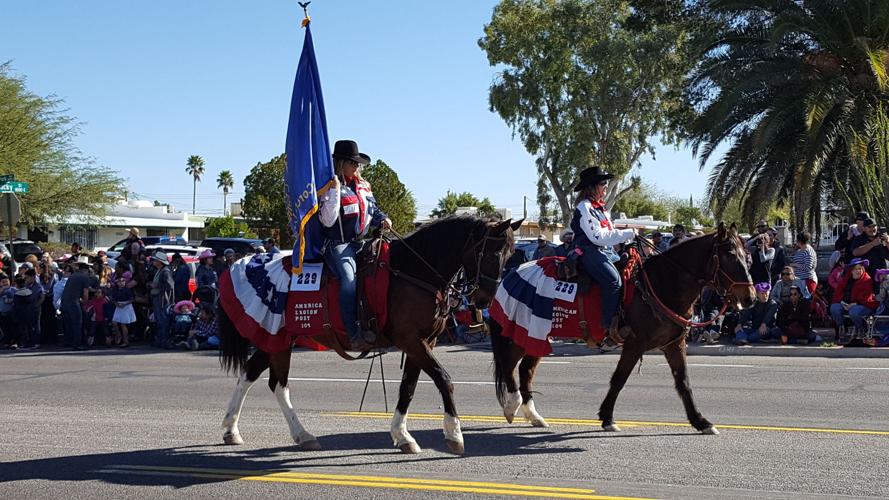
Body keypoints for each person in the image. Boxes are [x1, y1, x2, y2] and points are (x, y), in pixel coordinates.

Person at [318, 140, 392, 349]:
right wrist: (334, 192)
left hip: (361, 243)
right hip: (338, 244)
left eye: (358, 163)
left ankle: (378, 324)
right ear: (341, 164)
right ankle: (353, 333)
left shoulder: (364, 186)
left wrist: (383, 219)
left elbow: (373, 211)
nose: (357, 166)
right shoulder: (329, 186)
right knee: (349, 280)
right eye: (353, 162)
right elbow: (327, 221)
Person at [570, 166, 636, 342]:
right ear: (592, 187)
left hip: (605, 251)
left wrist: (626, 243)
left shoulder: (601, 209)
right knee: (613, 281)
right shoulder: (584, 207)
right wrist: (627, 233)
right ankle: (608, 329)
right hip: (589, 251)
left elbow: (610, 233)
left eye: (606, 183)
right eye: (603, 183)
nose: (606, 186)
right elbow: (598, 237)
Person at [829, 257, 879, 337]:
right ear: (851, 271)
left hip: (864, 305)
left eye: (860, 268)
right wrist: (842, 303)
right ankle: (841, 328)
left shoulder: (867, 280)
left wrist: (853, 304)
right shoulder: (845, 279)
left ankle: (860, 328)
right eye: (855, 269)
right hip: (846, 304)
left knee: (854, 311)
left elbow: (866, 298)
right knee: (834, 307)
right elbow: (837, 294)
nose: (858, 271)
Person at [60, 259, 92, 350]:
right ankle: (77, 344)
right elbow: (85, 294)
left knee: (68, 324)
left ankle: (68, 342)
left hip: (64, 302)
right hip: (74, 302)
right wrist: (85, 303)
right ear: (85, 270)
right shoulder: (84, 277)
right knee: (77, 324)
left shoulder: (73, 276)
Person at [851, 218, 889, 291]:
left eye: (874, 226)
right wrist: (872, 244)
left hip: (883, 276)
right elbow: (855, 252)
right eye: (869, 227)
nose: (872, 229)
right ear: (864, 229)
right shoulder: (859, 239)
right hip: (866, 276)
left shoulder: (882, 237)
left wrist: (887, 242)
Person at [148, 251, 175, 348]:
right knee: (159, 321)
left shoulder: (165, 271)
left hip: (162, 300)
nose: (153, 261)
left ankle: (164, 341)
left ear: (159, 261)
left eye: (155, 260)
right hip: (158, 298)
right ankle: (160, 340)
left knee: (163, 321)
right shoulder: (160, 270)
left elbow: (170, 286)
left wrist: (156, 285)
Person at [111, 271, 136, 347]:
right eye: (119, 281)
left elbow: (132, 299)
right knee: (114, 322)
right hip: (118, 306)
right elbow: (113, 299)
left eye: (123, 281)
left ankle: (126, 341)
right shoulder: (115, 290)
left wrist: (125, 304)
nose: (121, 283)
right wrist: (116, 303)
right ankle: (118, 335)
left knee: (123, 324)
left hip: (126, 306)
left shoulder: (127, 290)